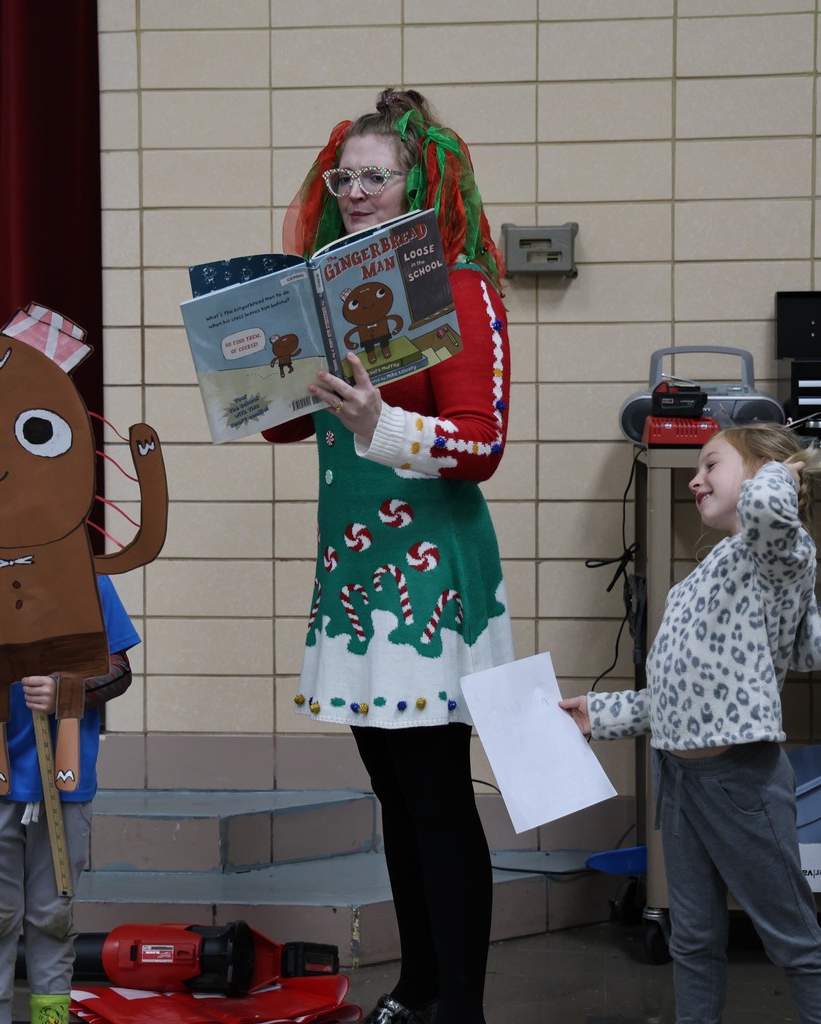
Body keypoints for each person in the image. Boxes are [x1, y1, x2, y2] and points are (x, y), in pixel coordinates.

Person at [264, 88, 513, 1024]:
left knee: (436, 793)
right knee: (394, 796)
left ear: (420, 184)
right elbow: (290, 432)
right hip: (356, 576)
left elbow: (481, 445)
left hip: (430, 579)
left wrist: (383, 421)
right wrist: (257, 384)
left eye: (376, 176)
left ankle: (462, 1006)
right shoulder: (323, 286)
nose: (356, 192)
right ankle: (419, 987)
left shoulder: (458, 287)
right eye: (345, 176)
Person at [560, 423, 821, 1024]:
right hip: (679, 780)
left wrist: (781, 473)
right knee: (694, 940)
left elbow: (766, 508)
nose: (695, 480)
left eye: (711, 465)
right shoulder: (704, 574)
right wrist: (597, 715)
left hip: (742, 781)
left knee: (793, 938)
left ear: (764, 476)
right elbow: (673, 697)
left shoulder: (780, 555)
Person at [0, 574, 140, 1024]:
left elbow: (119, 671)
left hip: (66, 790)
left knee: (52, 919)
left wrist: (69, 689)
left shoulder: (91, 582)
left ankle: (52, 1019)